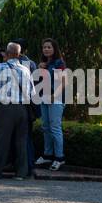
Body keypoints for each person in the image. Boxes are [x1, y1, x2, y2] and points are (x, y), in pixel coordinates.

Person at [0, 43, 34, 179]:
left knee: (2, 140)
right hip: (22, 108)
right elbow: (31, 92)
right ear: (18, 54)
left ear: (6, 54)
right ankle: (21, 172)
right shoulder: (26, 70)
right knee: (21, 141)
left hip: (5, 107)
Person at [35, 38, 67, 171]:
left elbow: (63, 82)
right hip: (44, 97)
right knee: (46, 127)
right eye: (44, 47)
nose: (46, 49)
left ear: (54, 49)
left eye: (49, 47)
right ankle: (48, 155)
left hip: (56, 98)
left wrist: (55, 95)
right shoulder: (43, 64)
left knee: (55, 128)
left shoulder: (59, 63)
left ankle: (59, 158)